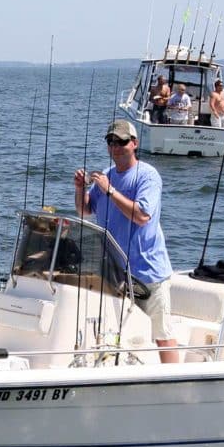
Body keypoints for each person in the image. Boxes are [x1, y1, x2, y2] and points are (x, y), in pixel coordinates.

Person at [72, 120, 179, 363]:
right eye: (111, 142)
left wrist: (110, 191)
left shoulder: (148, 176)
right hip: (115, 272)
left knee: (162, 333)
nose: (116, 147)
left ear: (134, 143)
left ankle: (177, 384)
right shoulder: (106, 176)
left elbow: (142, 216)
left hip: (148, 272)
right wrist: (79, 188)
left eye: (122, 141)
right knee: (117, 332)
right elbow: (84, 210)